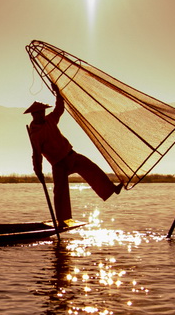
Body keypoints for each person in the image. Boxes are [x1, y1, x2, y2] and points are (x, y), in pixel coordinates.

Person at [26, 92, 121, 224]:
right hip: (58, 164)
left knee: (91, 168)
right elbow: (36, 155)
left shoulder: (50, 120)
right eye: (38, 113)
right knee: (60, 192)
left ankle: (111, 189)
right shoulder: (35, 135)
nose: (41, 114)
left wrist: (58, 95)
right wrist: (38, 171)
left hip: (70, 155)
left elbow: (59, 109)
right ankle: (61, 220)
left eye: (41, 112)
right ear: (33, 115)